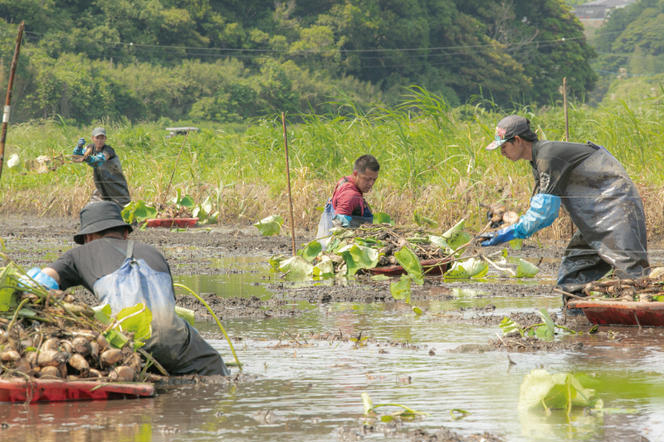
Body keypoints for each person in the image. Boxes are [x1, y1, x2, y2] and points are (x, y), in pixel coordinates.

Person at [27, 201, 229, 376]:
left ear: (88, 237)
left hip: (128, 342)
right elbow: (170, 307)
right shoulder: (154, 253)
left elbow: (38, 281)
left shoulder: (78, 254)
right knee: (214, 365)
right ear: (124, 233)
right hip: (175, 341)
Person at [482, 115, 649, 304]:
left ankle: (642, 323)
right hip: (595, 217)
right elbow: (540, 203)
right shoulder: (538, 161)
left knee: (631, 274)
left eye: (504, 146)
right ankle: (577, 320)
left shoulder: (548, 156)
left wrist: (510, 233)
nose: (502, 152)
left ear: (518, 140)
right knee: (573, 274)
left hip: (617, 207)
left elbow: (545, 212)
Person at [317, 154, 380, 240]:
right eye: (367, 179)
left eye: (374, 179)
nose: (371, 184)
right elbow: (339, 227)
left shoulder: (347, 181)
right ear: (355, 174)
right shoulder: (350, 196)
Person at [73, 127, 131, 207]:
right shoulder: (90, 148)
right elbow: (76, 158)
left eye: (102, 138)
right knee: (94, 207)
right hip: (101, 186)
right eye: (97, 138)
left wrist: (90, 159)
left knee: (125, 208)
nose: (99, 141)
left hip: (116, 186)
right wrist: (78, 148)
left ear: (105, 139)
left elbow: (102, 158)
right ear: (93, 138)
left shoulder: (108, 150)